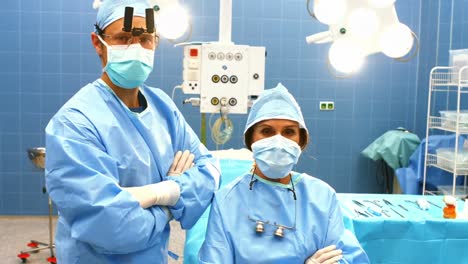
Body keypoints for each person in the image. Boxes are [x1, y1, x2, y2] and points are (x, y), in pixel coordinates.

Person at [45, 0, 220, 263]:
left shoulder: (164, 108)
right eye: (123, 38)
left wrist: (155, 194)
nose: (135, 48)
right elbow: (111, 225)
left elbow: (209, 171)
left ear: (155, 42)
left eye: (145, 38)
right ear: (97, 43)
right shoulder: (75, 123)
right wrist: (170, 200)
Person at [198, 83, 369, 263]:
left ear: (300, 141)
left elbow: (348, 257)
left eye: (288, 132)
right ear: (251, 140)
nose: (278, 141)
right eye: (266, 131)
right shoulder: (227, 201)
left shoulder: (321, 197)